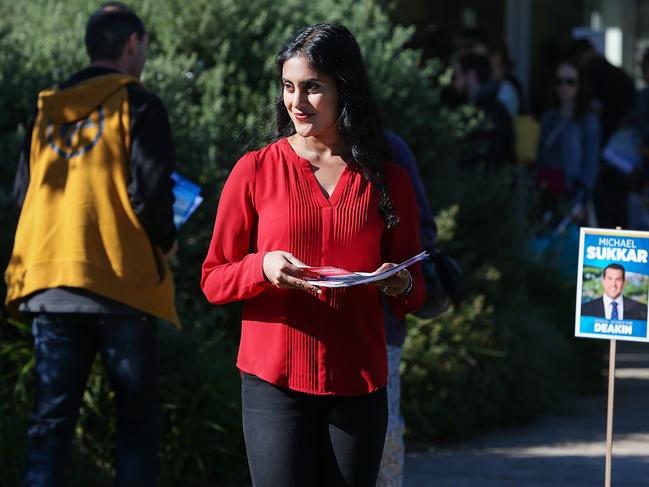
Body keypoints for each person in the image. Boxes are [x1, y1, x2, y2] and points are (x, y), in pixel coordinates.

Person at [201, 23, 425, 487]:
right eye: (288, 86)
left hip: (358, 380)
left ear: (345, 88)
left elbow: (414, 289)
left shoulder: (388, 179)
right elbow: (213, 278)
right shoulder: (255, 170)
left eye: (312, 88)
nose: (296, 102)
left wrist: (398, 282)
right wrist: (261, 266)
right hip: (273, 380)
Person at [4, 3, 179, 485]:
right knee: (137, 431)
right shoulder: (141, 106)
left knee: (49, 428)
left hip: (51, 283)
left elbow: (23, 197)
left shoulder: (47, 111)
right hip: (122, 286)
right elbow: (151, 197)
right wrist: (166, 246)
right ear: (132, 45)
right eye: (144, 46)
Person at [377, 133, 436, 487]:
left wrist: (376, 260)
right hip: (309, 332)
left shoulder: (388, 150)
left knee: (383, 446)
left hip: (379, 331)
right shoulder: (286, 153)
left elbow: (424, 232)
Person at [535, 59, 600, 216]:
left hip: (573, 192)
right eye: (559, 81)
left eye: (570, 82)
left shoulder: (588, 120)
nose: (564, 86)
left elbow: (591, 163)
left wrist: (580, 196)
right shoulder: (547, 117)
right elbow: (540, 156)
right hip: (546, 190)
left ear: (579, 85)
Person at [452, 52, 515, 166]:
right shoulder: (495, 108)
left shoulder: (487, 112)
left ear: (471, 75)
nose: (455, 83)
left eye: (457, 75)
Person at [581, 264, 647, 320]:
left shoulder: (641, 309)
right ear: (603, 281)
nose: (613, 284)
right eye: (610, 279)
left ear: (624, 283)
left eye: (618, 279)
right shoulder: (584, 310)